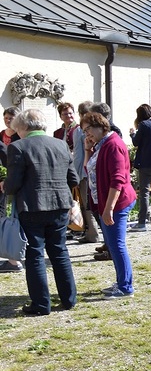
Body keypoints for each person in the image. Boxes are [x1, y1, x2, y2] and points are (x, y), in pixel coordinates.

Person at [2, 109, 78, 314]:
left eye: (18, 130)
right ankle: (69, 299)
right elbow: (73, 179)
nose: (17, 133)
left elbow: (13, 184)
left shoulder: (18, 147)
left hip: (32, 206)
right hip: (60, 204)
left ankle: (41, 304)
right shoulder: (60, 144)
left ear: (23, 127)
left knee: (35, 253)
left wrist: (5, 185)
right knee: (59, 251)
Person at [82, 112, 137, 298]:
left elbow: (118, 180)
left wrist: (109, 209)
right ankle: (122, 282)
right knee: (113, 246)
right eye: (84, 131)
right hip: (104, 202)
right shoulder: (101, 144)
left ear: (100, 126)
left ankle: (125, 287)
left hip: (116, 203)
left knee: (116, 245)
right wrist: (87, 150)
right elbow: (89, 169)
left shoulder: (113, 144)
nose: (87, 134)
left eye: (88, 129)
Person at [72, 102, 102, 245]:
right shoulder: (96, 130)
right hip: (91, 169)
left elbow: (79, 155)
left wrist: (76, 174)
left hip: (84, 171)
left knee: (87, 204)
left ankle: (93, 233)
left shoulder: (80, 130)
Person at [1, 106, 23, 272]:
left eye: (11, 118)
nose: (8, 121)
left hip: (12, 182)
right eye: (6, 118)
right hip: (3, 180)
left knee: (11, 217)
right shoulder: (1, 135)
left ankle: (14, 259)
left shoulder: (20, 137)